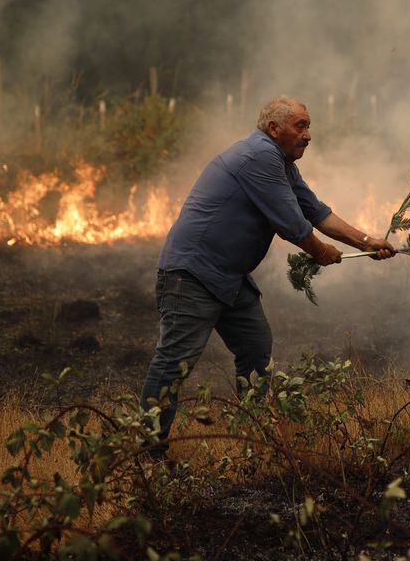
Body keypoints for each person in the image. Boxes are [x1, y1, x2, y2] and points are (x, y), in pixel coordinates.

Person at [139, 95, 396, 451]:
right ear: (274, 128)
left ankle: (252, 439)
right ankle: (145, 449)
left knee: (256, 349)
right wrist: (322, 252)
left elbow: (317, 212)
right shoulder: (259, 156)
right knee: (174, 364)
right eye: (300, 126)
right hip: (193, 274)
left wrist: (366, 242)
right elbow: (293, 224)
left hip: (228, 277)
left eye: (309, 126)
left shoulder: (282, 163)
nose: (308, 135)